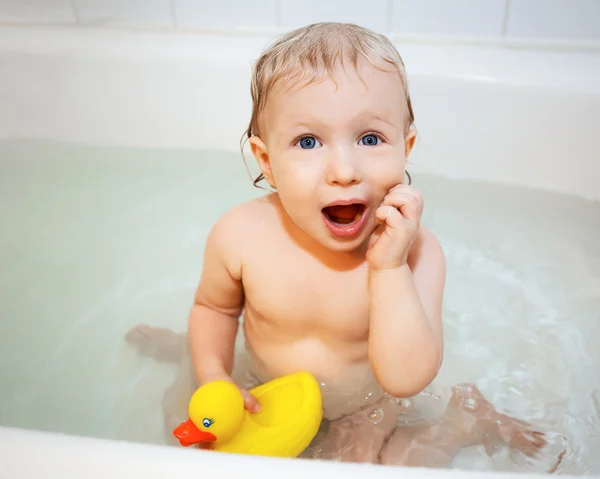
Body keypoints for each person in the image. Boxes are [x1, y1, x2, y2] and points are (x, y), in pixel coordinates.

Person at [126, 22, 560, 469]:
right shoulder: (240, 233)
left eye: (370, 139)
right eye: (308, 141)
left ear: (404, 148)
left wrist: (388, 269)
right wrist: (214, 373)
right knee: (181, 427)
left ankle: (460, 423)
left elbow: (406, 378)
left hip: (365, 404)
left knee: (385, 467)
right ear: (267, 161)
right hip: (265, 386)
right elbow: (216, 310)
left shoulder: (417, 254)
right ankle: (185, 349)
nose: (344, 169)